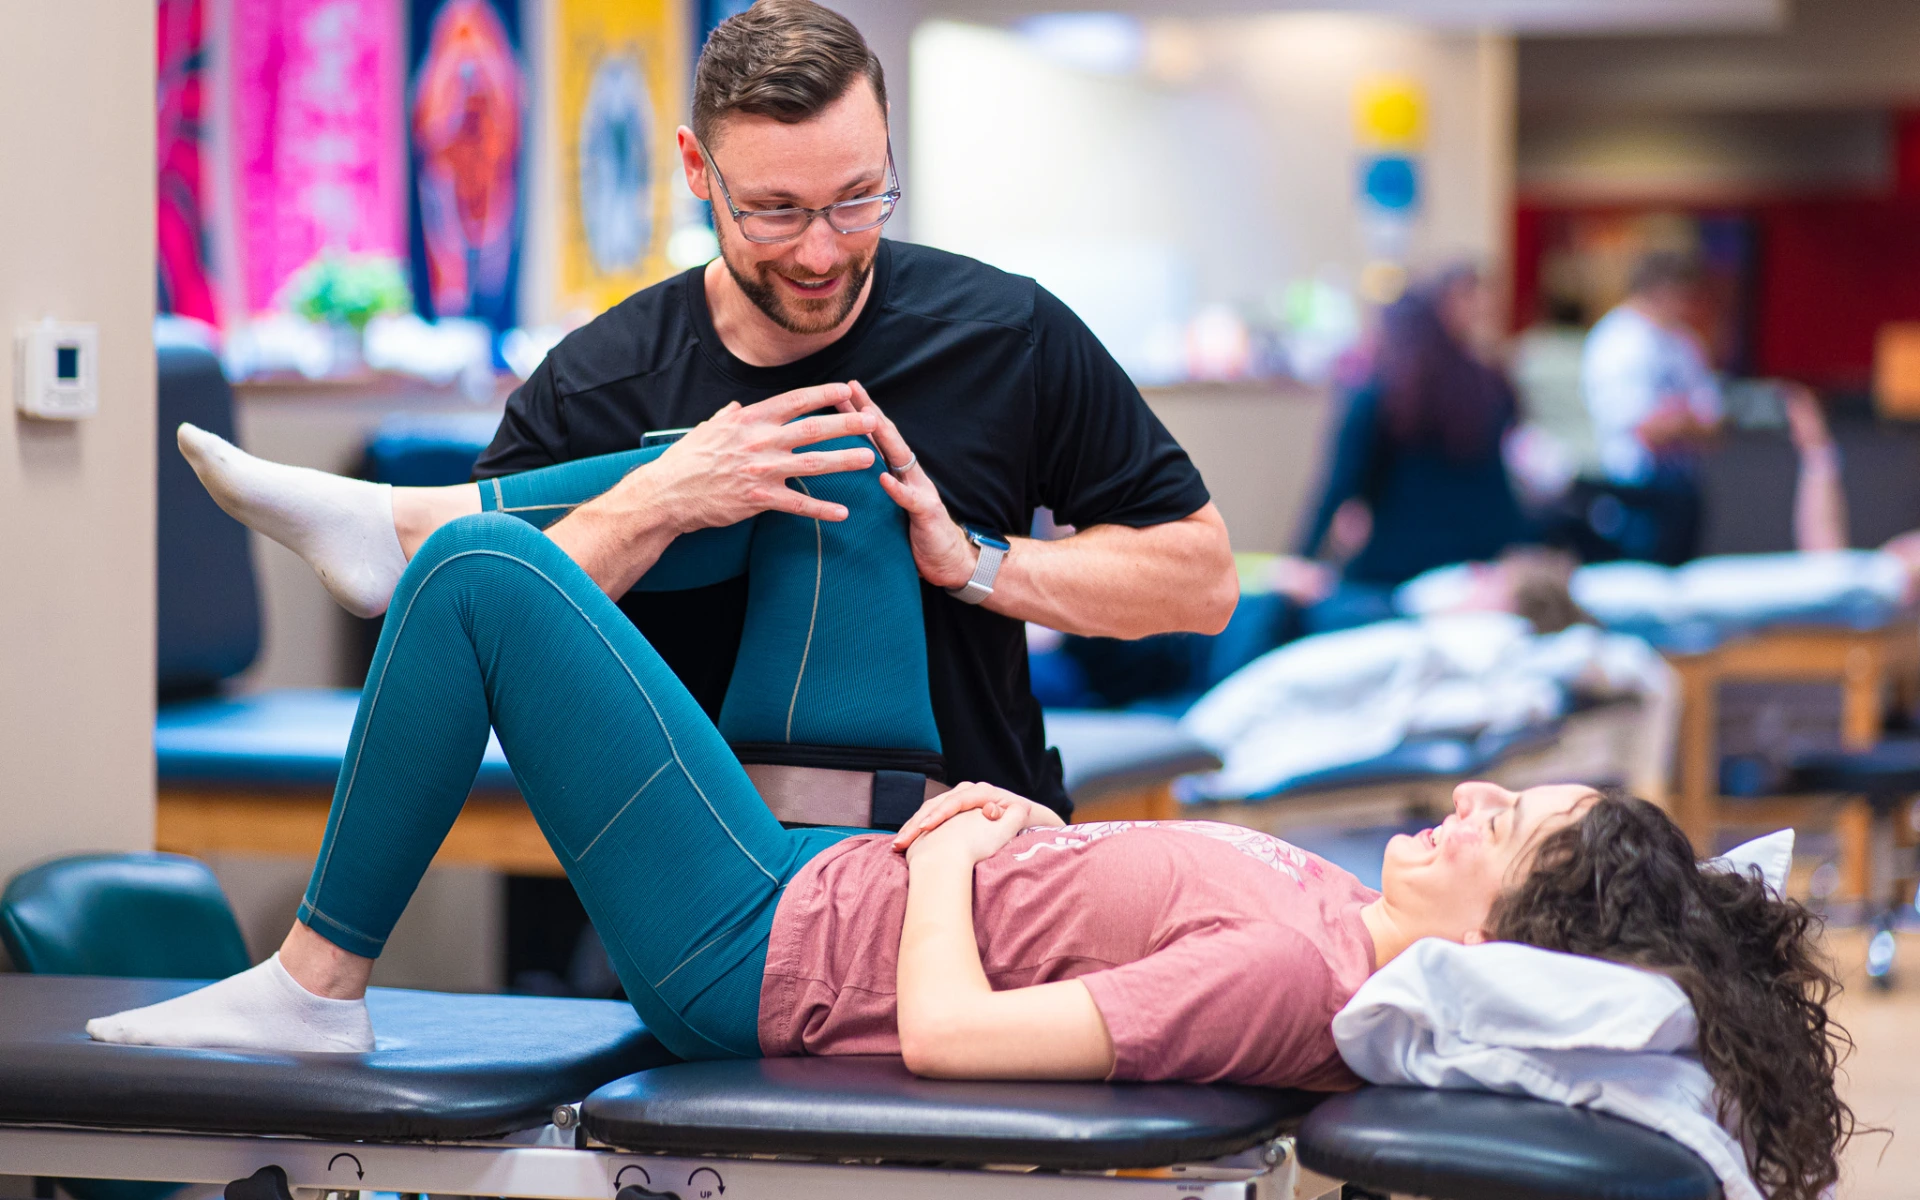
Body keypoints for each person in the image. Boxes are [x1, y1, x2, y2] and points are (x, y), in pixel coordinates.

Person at [88, 460, 1853, 1197]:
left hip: (764, 946)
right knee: (833, 473)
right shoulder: (1329, 938)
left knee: (481, 583)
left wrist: (944, 853)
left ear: (1511, 939)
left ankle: (312, 975)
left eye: (1501, 825)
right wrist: (1002, 836)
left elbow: (947, 1035)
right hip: (802, 892)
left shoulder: (1286, 970)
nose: (1466, 802)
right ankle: (403, 516)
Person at [462, 0, 1236, 819]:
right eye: (776, 210)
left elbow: (1201, 578)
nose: (823, 251)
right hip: (696, 893)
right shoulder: (598, 381)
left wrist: (977, 564)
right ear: (697, 168)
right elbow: (467, 636)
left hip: (982, 873)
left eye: (859, 197)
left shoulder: (1006, 338)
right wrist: (657, 501)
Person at [1293, 267, 1531, 634]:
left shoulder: (1377, 392)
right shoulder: (1488, 384)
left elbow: (1338, 485)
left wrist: (1300, 560)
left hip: (1399, 569)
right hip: (1484, 560)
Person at [1580, 251, 1724, 565]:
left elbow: (1713, 424)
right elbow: (1646, 428)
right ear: (1659, 289)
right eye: (1681, 295)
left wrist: (1679, 424)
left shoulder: (1685, 342)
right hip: (1632, 490)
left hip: (1683, 487)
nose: (1686, 305)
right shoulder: (1617, 340)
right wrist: (1685, 423)